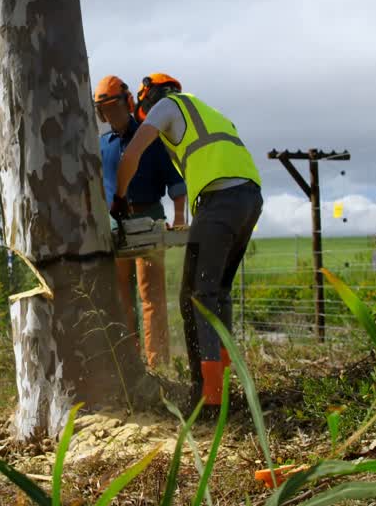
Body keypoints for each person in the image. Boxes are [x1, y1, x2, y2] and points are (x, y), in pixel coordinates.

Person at [110, 73, 263, 409]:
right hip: (249, 199)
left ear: (148, 98)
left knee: (196, 298)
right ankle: (222, 386)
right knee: (217, 293)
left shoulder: (165, 106)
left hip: (220, 201)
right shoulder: (207, 112)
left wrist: (119, 198)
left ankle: (207, 397)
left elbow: (132, 154)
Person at [93, 75, 186, 370]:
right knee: (121, 296)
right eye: (105, 109)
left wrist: (180, 217)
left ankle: (158, 365)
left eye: (115, 106)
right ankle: (129, 364)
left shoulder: (149, 137)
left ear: (127, 103)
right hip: (115, 224)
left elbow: (175, 181)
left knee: (151, 296)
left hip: (149, 218)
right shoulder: (101, 145)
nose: (112, 114)